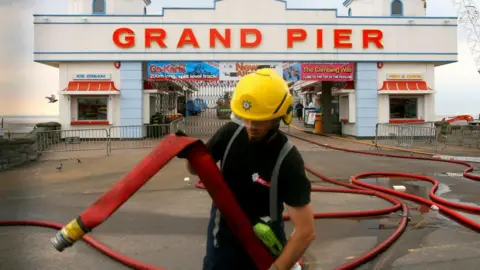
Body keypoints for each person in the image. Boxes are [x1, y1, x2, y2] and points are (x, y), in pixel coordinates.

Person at [182, 68, 315, 270]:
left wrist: (277, 268)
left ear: (279, 116)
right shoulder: (229, 134)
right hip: (222, 242)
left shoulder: (288, 158)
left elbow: (305, 231)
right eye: (247, 117)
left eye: (260, 119)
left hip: (263, 247)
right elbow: (194, 170)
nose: (251, 126)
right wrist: (190, 153)